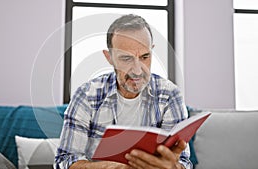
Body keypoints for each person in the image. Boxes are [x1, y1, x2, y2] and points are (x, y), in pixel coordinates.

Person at [55, 14, 192, 169]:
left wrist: (172, 167)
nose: (138, 70)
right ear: (109, 57)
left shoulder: (169, 95)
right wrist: (115, 168)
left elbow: (184, 163)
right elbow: (64, 161)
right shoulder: (87, 95)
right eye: (126, 59)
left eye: (145, 56)